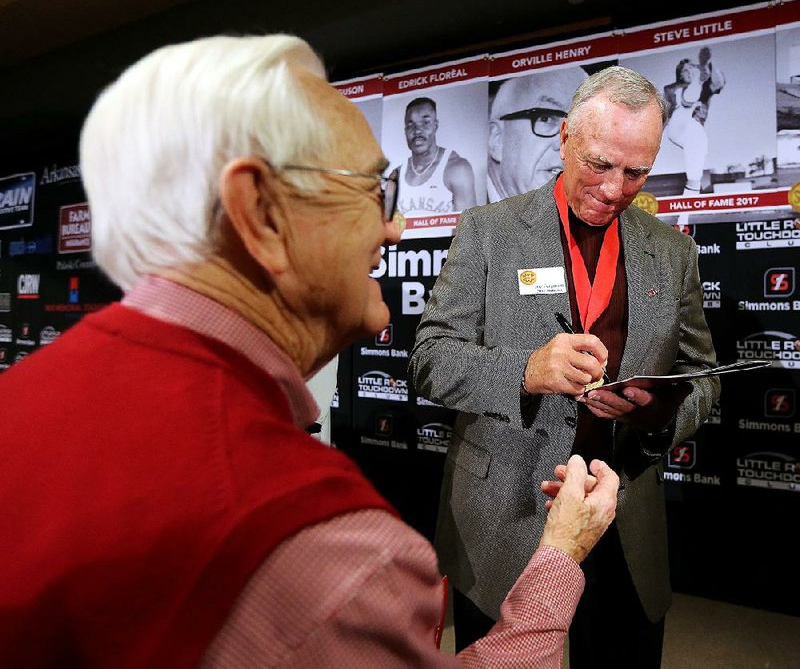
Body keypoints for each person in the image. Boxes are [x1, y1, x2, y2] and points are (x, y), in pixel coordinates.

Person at [0, 34, 620, 668]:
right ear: (261, 214)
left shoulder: (18, 400)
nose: (396, 225)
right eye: (374, 191)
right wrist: (559, 560)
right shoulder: (325, 550)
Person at [410, 65, 720, 669]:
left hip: (621, 520)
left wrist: (661, 412)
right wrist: (525, 370)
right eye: (600, 164)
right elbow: (429, 359)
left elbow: (702, 375)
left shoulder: (671, 250)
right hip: (504, 521)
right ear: (565, 138)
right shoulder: (488, 232)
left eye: (636, 173)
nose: (613, 189)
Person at [488, 67, 588, 201]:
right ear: (497, 139)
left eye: (580, 127)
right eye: (546, 118)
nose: (567, 145)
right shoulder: (470, 217)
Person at [396, 97, 478, 216]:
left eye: (425, 123)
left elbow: (469, 230)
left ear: (435, 126)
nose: (417, 131)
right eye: (411, 125)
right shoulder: (396, 176)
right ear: (405, 131)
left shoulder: (457, 169)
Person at [663, 47, 726, 195]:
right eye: (685, 70)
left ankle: (689, 199)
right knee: (695, 130)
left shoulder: (705, 87)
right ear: (679, 74)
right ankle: (693, 184)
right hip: (676, 127)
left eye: (692, 69)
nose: (689, 72)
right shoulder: (671, 89)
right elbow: (664, 114)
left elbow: (719, 82)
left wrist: (708, 64)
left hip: (693, 130)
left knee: (695, 172)